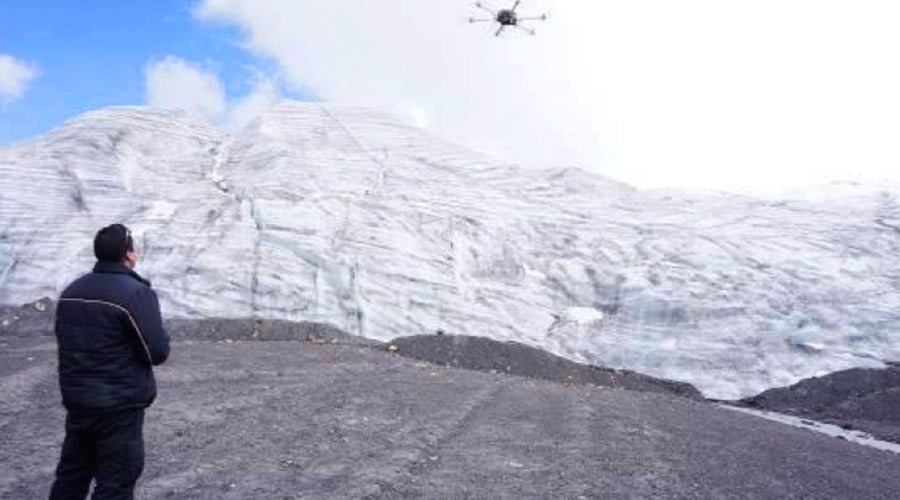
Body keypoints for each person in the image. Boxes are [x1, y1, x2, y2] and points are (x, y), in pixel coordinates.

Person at [49, 224, 170, 500]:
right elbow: (157, 352)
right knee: (116, 482)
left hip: (79, 401)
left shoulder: (72, 291)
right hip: (119, 405)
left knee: (72, 475)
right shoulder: (135, 293)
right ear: (128, 254)